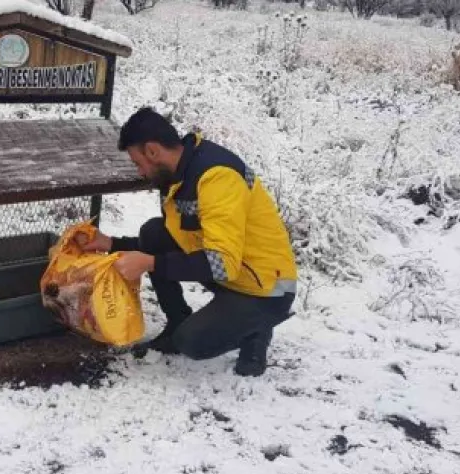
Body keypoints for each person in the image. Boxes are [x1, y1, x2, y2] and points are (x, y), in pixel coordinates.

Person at [79, 107, 298, 377]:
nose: (141, 172)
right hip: (233, 270)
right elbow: (179, 239)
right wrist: (111, 243)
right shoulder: (179, 174)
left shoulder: (216, 177)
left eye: (138, 163)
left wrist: (151, 263)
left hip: (265, 288)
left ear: (152, 151)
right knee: (153, 233)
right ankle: (177, 323)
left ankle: (257, 331)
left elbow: (222, 264)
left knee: (193, 343)